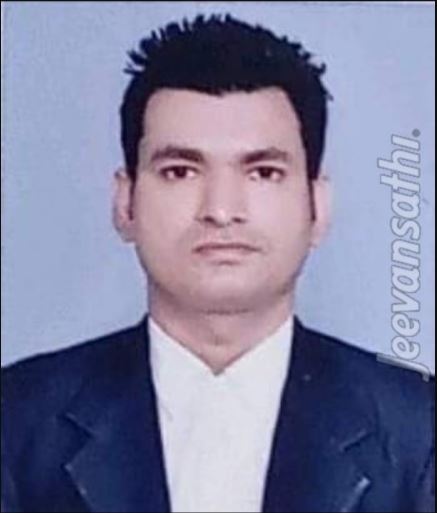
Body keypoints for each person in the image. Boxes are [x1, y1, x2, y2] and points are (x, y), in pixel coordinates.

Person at [1, 14, 434, 513]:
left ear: (318, 206)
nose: (221, 210)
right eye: (180, 171)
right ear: (125, 203)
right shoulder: (16, 421)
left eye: (263, 172)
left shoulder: (419, 430)